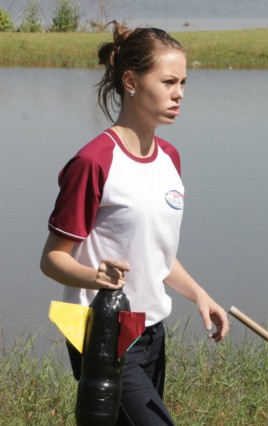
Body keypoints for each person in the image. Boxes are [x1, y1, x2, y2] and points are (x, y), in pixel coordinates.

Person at [40, 21, 229, 425]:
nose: (179, 94)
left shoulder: (170, 158)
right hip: (105, 330)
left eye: (184, 83)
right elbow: (53, 259)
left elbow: (156, 256)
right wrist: (96, 276)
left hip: (152, 329)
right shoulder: (94, 162)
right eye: (168, 82)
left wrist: (199, 295)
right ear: (131, 80)